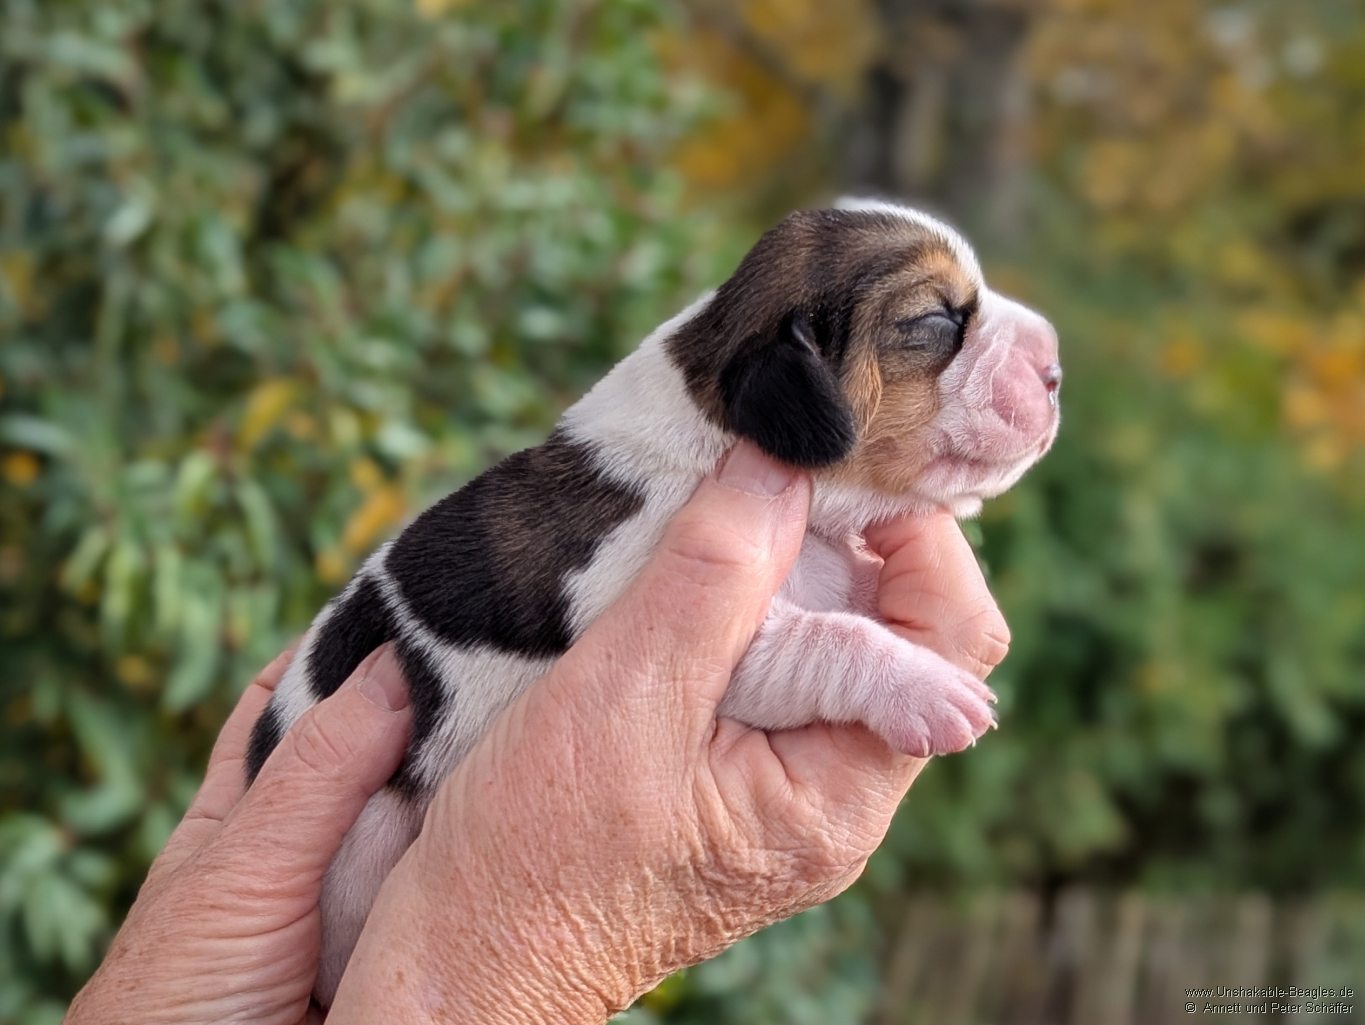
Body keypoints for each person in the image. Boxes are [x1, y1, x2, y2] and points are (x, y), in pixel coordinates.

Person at [65, 443, 1010, 1025]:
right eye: (933, 329)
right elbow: (742, 664)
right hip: (361, 855)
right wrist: (503, 980)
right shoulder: (671, 500)